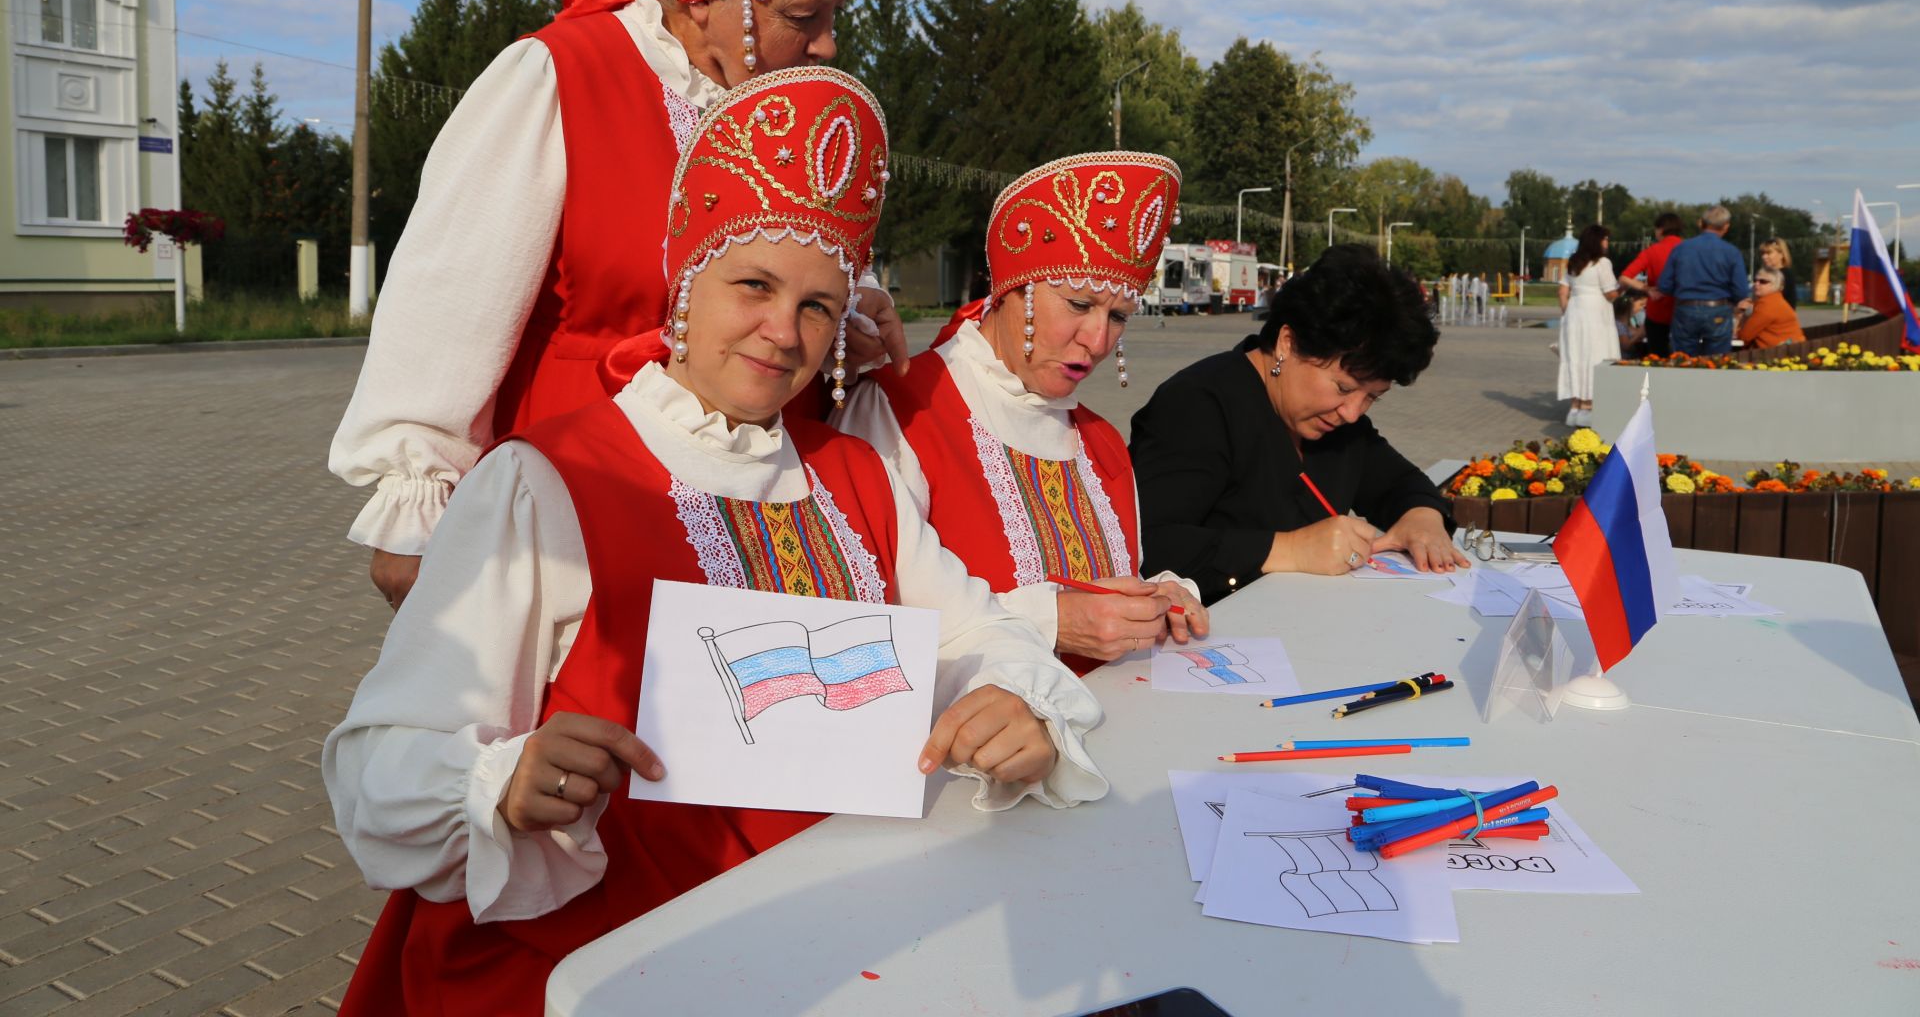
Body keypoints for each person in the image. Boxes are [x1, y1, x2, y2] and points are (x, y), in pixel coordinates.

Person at [323, 68, 1106, 1015]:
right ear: (686, 289)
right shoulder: (547, 479)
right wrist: (503, 779)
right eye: (754, 286)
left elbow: (971, 636)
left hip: (830, 929)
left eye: (820, 305)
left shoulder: (851, 474)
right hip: (608, 957)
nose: (784, 331)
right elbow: (378, 763)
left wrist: (1015, 705)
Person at [329, 0, 905, 610]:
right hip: (585, 498)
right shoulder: (561, 77)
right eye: (803, 16)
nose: (828, 44)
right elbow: (448, 297)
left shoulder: (782, 113)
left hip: (762, 505)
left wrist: (849, 316)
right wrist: (417, 502)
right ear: (706, 2)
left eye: (834, 13)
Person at [837, 152, 1207, 667]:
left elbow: (1120, 581)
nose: (1099, 340)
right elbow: (859, 626)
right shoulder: (904, 408)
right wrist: (1051, 622)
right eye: (1078, 305)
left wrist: (1157, 598)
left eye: (1119, 315)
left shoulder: (1099, 443)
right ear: (1013, 291)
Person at [1129, 245, 1466, 605]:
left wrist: (1423, 518)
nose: (1353, 412)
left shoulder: (1337, 426)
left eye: (1372, 397)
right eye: (1344, 387)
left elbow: (1401, 482)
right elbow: (1145, 543)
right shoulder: (1199, 404)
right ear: (1288, 343)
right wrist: (1289, 549)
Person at [1656, 205, 1752, 356]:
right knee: (1716, 361)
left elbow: (1664, 285)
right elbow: (1741, 292)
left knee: (1683, 360)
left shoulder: (1681, 248)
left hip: (1685, 309)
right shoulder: (1732, 252)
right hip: (1718, 309)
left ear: (1701, 223)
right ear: (1726, 227)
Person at [1557, 225, 1620, 427]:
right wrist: (1624, 288)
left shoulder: (1573, 262)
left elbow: (1562, 292)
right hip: (1596, 314)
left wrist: (1568, 313)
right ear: (1597, 241)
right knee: (1596, 356)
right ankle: (1587, 406)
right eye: (1605, 239)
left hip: (1574, 313)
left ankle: (1574, 407)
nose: (1607, 243)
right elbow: (1610, 293)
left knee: (1576, 356)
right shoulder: (1602, 263)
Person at [1618, 211, 1684, 356]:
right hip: (1683, 310)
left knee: (1657, 358)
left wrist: (1646, 288)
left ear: (1660, 229)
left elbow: (1624, 277)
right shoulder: (1689, 249)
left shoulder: (1651, 251)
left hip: (1657, 312)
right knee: (1683, 359)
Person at [1739, 269, 1806, 349]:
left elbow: (1744, 337)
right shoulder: (1776, 300)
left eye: (1763, 282)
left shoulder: (1767, 305)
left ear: (1775, 285)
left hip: (1780, 354)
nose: (1756, 284)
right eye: (1755, 280)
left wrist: (1739, 315)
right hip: (1793, 348)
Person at [1758, 238, 1798, 308]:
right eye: (1762, 253)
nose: (1764, 257)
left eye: (1768, 253)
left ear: (1781, 254)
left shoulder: (1785, 275)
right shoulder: (1763, 274)